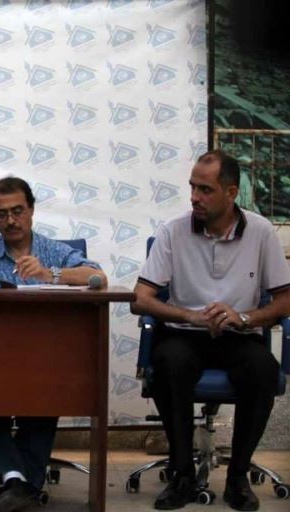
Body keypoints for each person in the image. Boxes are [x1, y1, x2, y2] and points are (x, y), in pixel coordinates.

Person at [132, 150, 289, 511]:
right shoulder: (173, 231)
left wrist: (244, 318)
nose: (194, 197)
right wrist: (190, 316)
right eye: (192, 187)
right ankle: (182, 475)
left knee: (263, 369)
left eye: (205, 190)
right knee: (169, 362)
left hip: (238, 335)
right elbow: (140, 299)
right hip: (185, 334)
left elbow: (285, 301)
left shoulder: (261, 232)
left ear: (231, 193)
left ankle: (238, 477)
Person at [0, 176, 107, 512]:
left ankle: (13, 482)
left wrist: (51, 275)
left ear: (31, 210)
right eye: (1, 214)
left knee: (47, 385)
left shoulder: (54, 251)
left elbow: (98, 278)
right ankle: (19, 483)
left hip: (44, 357)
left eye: (17, 211)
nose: (10, 220)